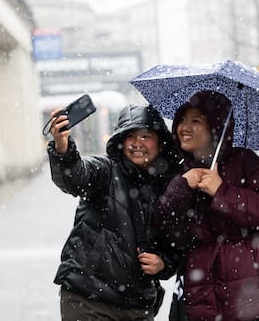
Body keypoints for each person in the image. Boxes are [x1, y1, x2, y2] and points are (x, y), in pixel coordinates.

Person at [156, 91, 259, 321]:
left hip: (258, 293)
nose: (184, 127)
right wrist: (182, 187)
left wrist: (222, 192)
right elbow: (166, 226)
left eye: (196, 121)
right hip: (204, 290)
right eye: (182, 119)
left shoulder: (243, 161)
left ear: (215, 127)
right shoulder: (180, 169)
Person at [47, 104, 181, 321]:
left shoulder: (172, 187)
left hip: (139, 306)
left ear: (160, 143)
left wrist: (164, 263)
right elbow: (75, 177)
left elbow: (177, 243)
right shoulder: (105, 171)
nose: (137, 143)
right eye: (130, 136)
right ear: (121, 141)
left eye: (145, 136)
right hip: (88, 299)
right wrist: (63, 147)